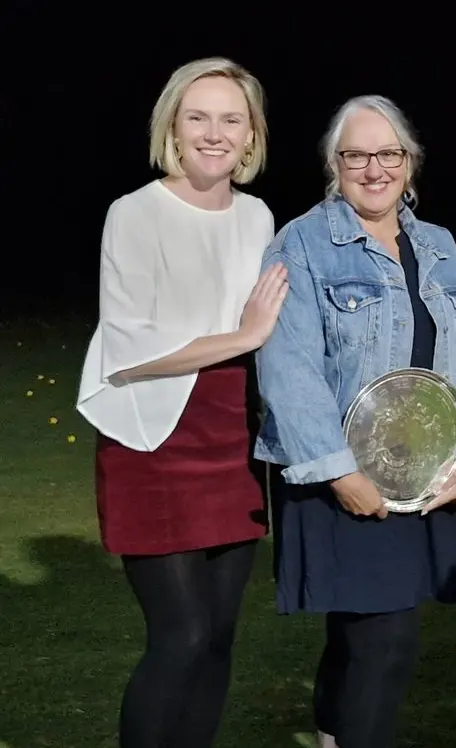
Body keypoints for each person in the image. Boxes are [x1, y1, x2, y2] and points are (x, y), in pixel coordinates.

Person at [253, 95, 456, 748]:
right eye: (356, 155)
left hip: (415, 471)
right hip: (339, 474)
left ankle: (335, 736)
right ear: (335, 165)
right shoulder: (300, 242)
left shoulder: (440, 247)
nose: (374, 169)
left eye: (387, 154)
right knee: (384, 641)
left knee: (361, 636)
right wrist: (340, 472)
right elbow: (287, 369)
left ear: (409, 162)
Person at [74, 57, 282, 748]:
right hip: (153, 440)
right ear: (173, 125)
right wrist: (243, 335)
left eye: (231, 118)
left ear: (251, 135)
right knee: (182, 634)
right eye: (198, 116)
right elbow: (128, 354)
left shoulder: (258, 217)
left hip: (232, 440)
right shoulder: (134, 213)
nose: (214, 133)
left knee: (219, 638)